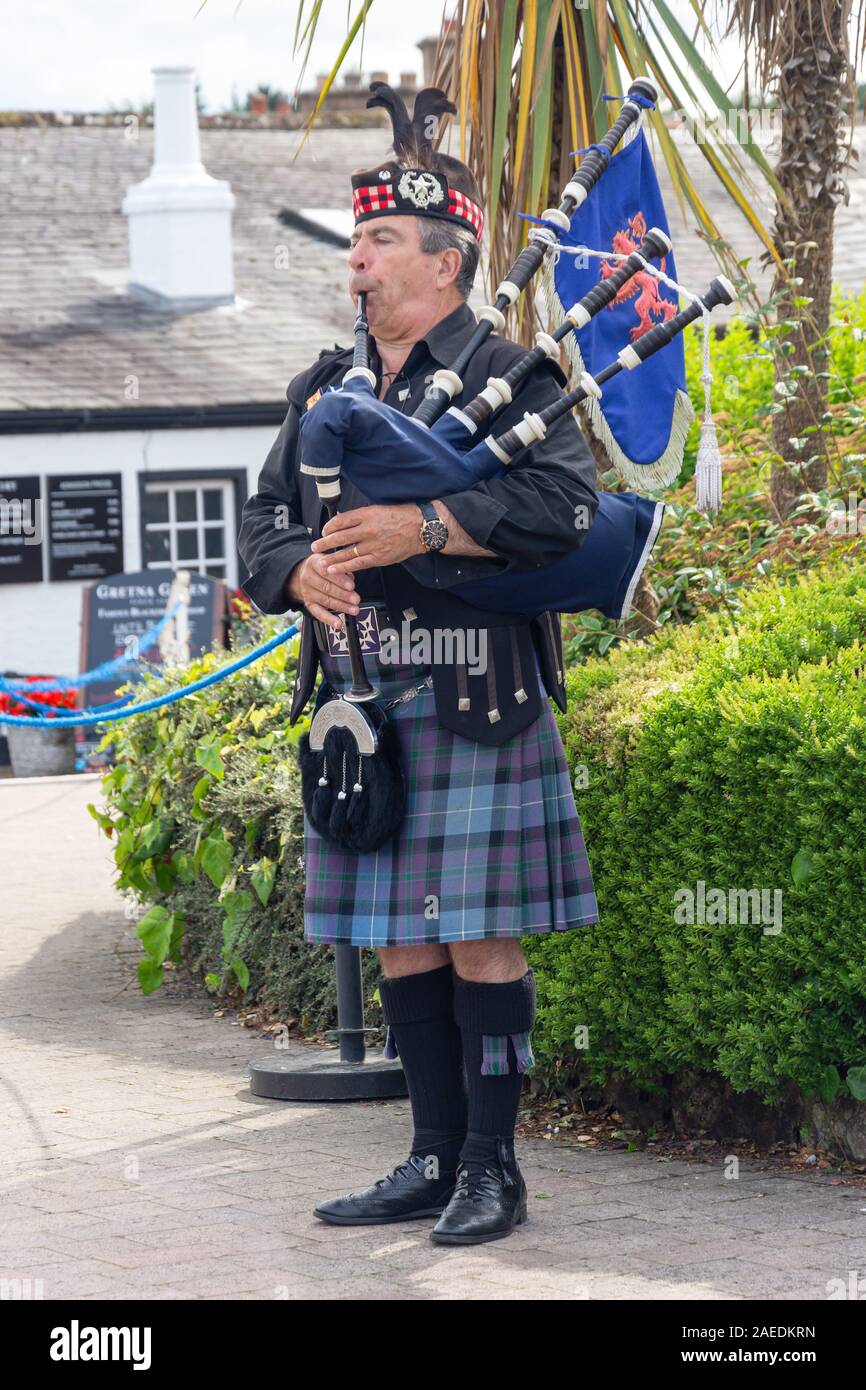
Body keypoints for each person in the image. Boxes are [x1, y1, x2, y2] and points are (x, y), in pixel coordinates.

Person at [238, 83, 600, 1245]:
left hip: (474, 686)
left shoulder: (517, 374)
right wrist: (297, 568)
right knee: (401, 934)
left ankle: (494, 1167)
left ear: (445, 263)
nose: (358, 259)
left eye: (381, 239)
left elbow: (565, 513)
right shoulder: (318, 389)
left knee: (480, 934)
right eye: (355, 239)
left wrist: (426, 529)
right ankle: (431, 1154)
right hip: (358, 700)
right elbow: (258, 525)